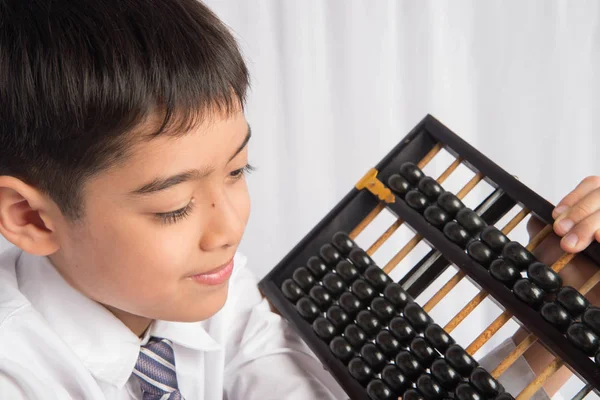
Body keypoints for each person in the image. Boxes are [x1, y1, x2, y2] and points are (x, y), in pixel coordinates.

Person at [0, 0, 597, 399]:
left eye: (238, 170)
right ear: (29, 216)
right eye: (174, 207)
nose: (228, 227)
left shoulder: (217, 298)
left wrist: (546, 327)